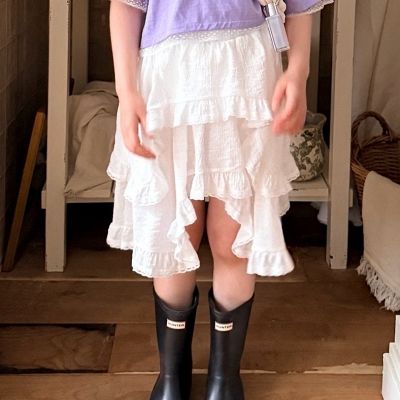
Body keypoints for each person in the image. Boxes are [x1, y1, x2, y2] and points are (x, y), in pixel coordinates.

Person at [107, 1, 333, 399]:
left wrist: (298, 71)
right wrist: (126, 92)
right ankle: (172, 374)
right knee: (178, 234)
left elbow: (299, 6)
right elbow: (125, 5)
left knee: (233, 237)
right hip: (168, 79)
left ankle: (224, 377)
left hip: (245, 73)